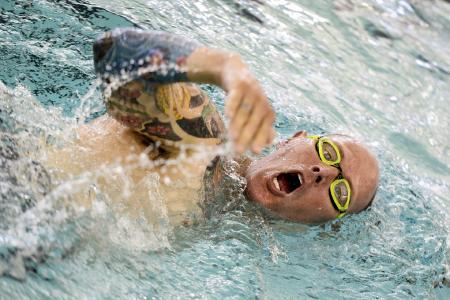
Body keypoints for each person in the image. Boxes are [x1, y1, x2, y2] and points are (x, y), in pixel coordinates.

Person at [48, 28, 379, 225]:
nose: (324, 172)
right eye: (329, 151)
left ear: (324, 225)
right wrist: (224, 68)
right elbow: (113, 54)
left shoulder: (220, 224)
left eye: (341, 192)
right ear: (292, 140)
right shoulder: (204, 142)